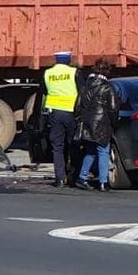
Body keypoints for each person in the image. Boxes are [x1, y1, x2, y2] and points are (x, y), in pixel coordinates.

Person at [73, 58, 120, 190]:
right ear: (107, 71)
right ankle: (103, 181)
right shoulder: (107, 88)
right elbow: (113, 108)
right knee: (103, 151)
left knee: (91, 151)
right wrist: (113, 123)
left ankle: (82, 178)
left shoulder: (85, 87)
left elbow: (77, 108)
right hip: (102, 123)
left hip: (87, 123)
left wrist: (80, 121)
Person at [43, 50, 79, 187]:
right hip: (71, 112)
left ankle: (59, 179)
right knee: (73, 144)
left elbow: (45, 92)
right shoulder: (74, 72)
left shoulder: (48, 73)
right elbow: (82, 92)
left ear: (57, 60)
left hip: (55, 113)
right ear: (68, 60)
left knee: (57, 146)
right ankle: (73, 176)